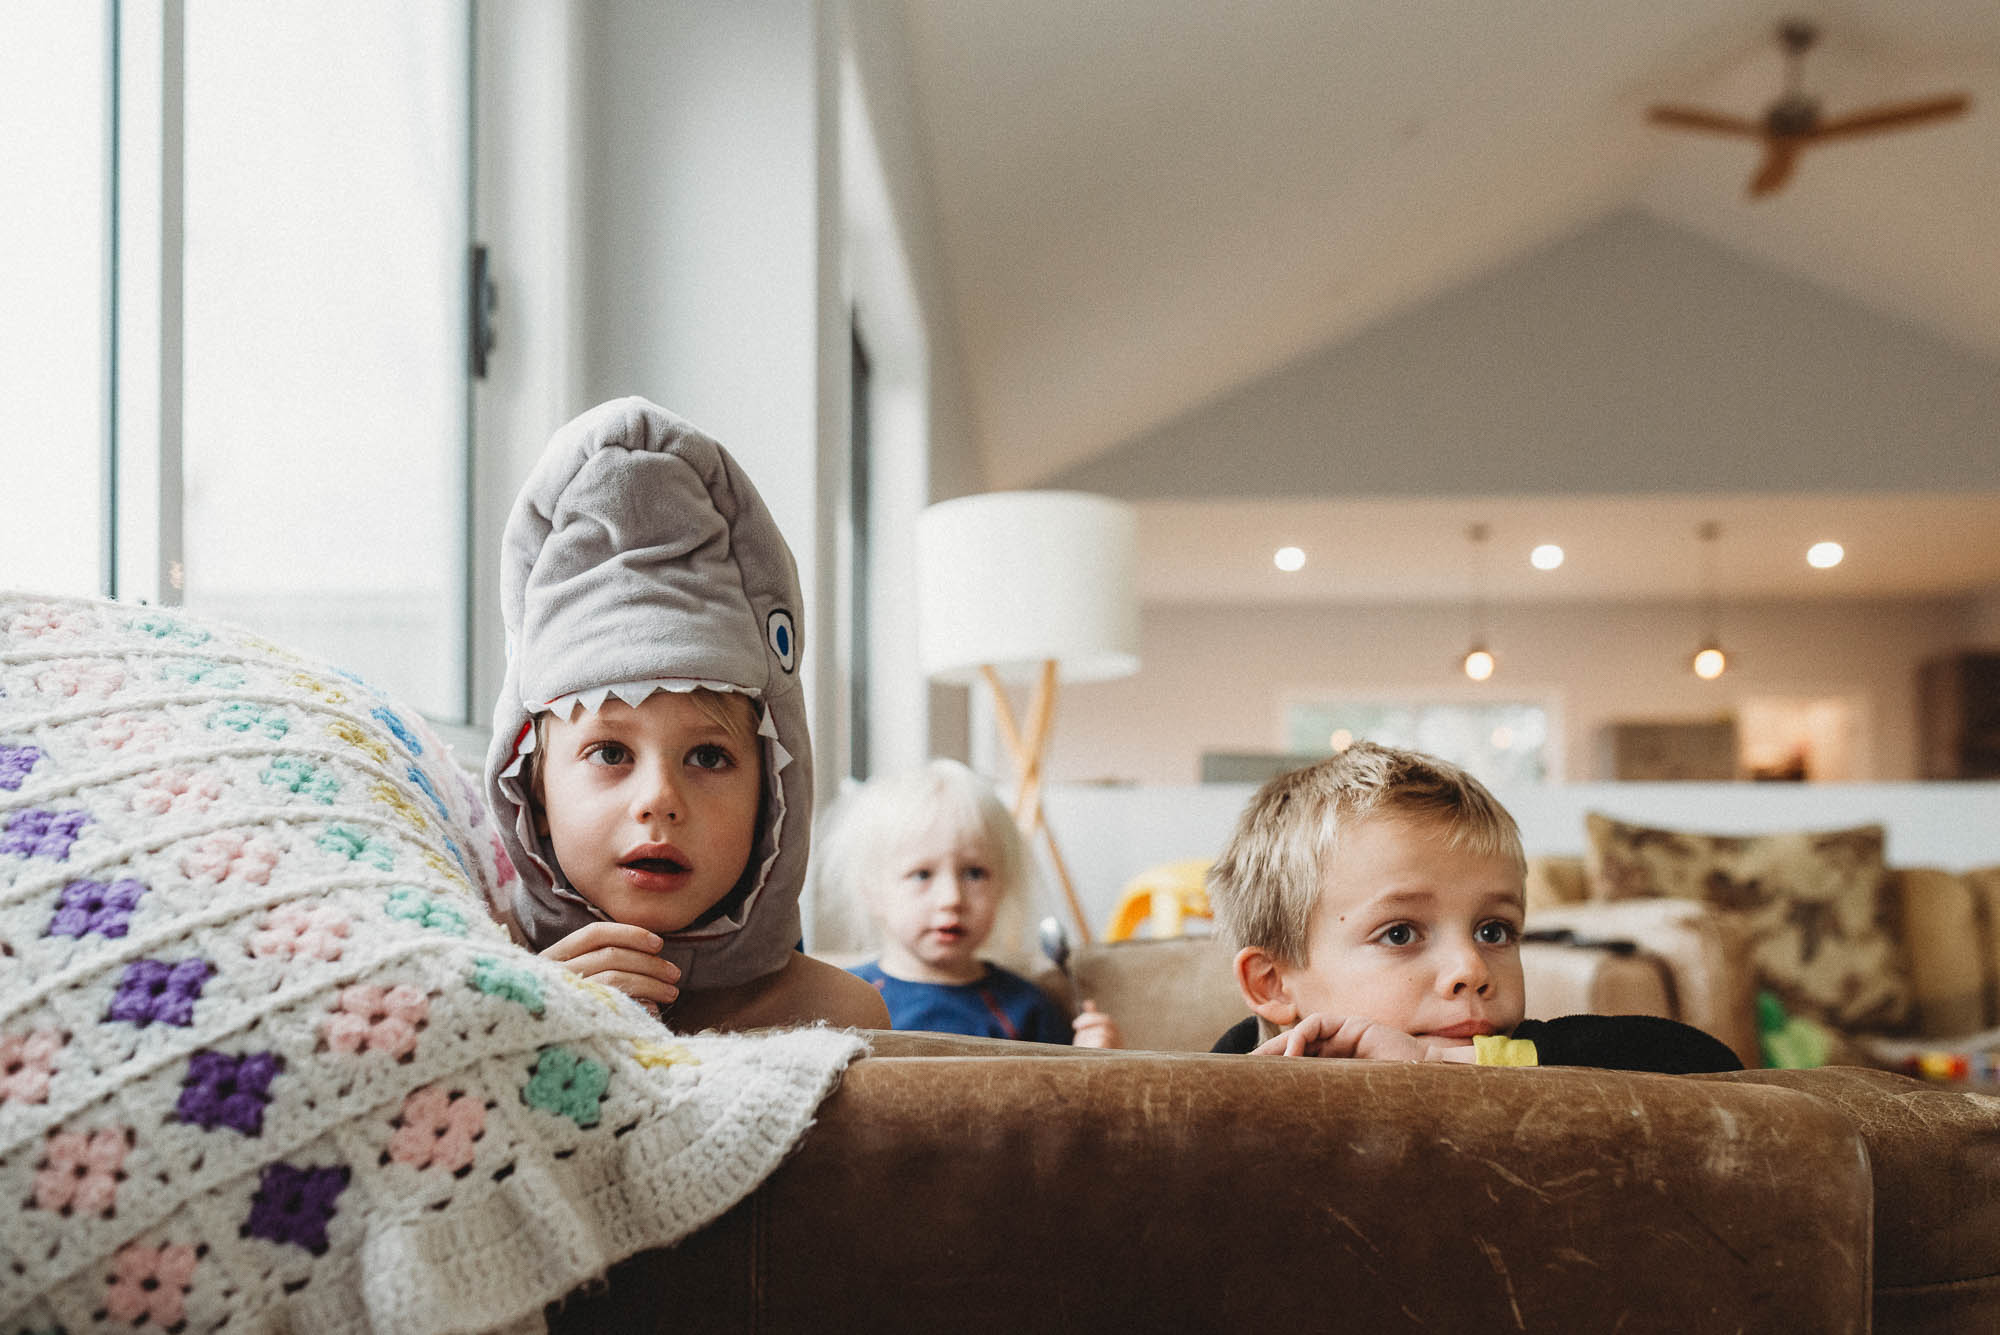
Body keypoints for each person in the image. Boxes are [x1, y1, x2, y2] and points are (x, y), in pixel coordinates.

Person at [484, 397, 888, 1033]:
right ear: (533, 795)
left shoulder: (837, 1016)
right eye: (611, 753)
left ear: (773, 795)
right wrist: (538, 1023)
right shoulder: (486, 984)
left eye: (708, 756)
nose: (660, 800)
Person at [1205, 743, 1740, 1072]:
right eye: (1400, 934)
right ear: (1272, 985)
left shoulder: (1508, 1054)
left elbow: (1709, 1064)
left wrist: (1439, 1062)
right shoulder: (1226, 1080)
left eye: (1493, 931)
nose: (1472, 970)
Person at [819, 760, 1120, 1046]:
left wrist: (1096, 1061)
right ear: (871, 892)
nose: (952, 899)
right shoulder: (841, 1001)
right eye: (922, 874)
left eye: (975, 873)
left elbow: (1067, 1097)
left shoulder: (1026, 1008)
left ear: (1003, 886)